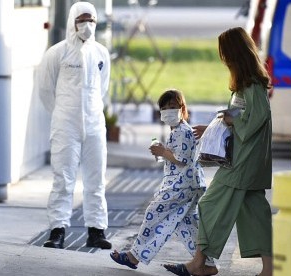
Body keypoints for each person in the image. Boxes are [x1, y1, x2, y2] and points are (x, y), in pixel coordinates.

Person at [164, 27, 273, 276]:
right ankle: (268, 270)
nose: (222, 58)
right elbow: (237, 116)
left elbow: (256, 118)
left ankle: (200, 264)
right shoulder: (246, 86)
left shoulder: (252, 87)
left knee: (210, 204)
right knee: (256, 214)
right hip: (247, 161)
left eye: (224, 53)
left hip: (241, 163)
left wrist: (234, 122)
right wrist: (213, 127)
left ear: (234, 54)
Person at [109, 89, 216, 271]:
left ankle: (134, 256)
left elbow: (182, 159)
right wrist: (164, 152)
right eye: (164, 108)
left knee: (153, 212)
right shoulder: (178, 131)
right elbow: (178, 156)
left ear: (182, 109)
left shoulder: (182, 130)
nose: (168, 111)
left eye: (173, 107)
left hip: (181, 184)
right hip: (190, 184)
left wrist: (163, 152)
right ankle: (207, 264)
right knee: (186, 223)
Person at [37, 2, 112, 250]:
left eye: (91, 20)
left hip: (94, 124)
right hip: (65, 124)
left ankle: (96, 230)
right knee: (63, 178)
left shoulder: (101, 53)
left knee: (96, 179)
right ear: (72, 21)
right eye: (82, 20)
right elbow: (46, 90)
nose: (87, 25)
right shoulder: (56, 53)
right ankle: (57, 230)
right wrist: (62, 114)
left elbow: (102, 89)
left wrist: (91, 113)